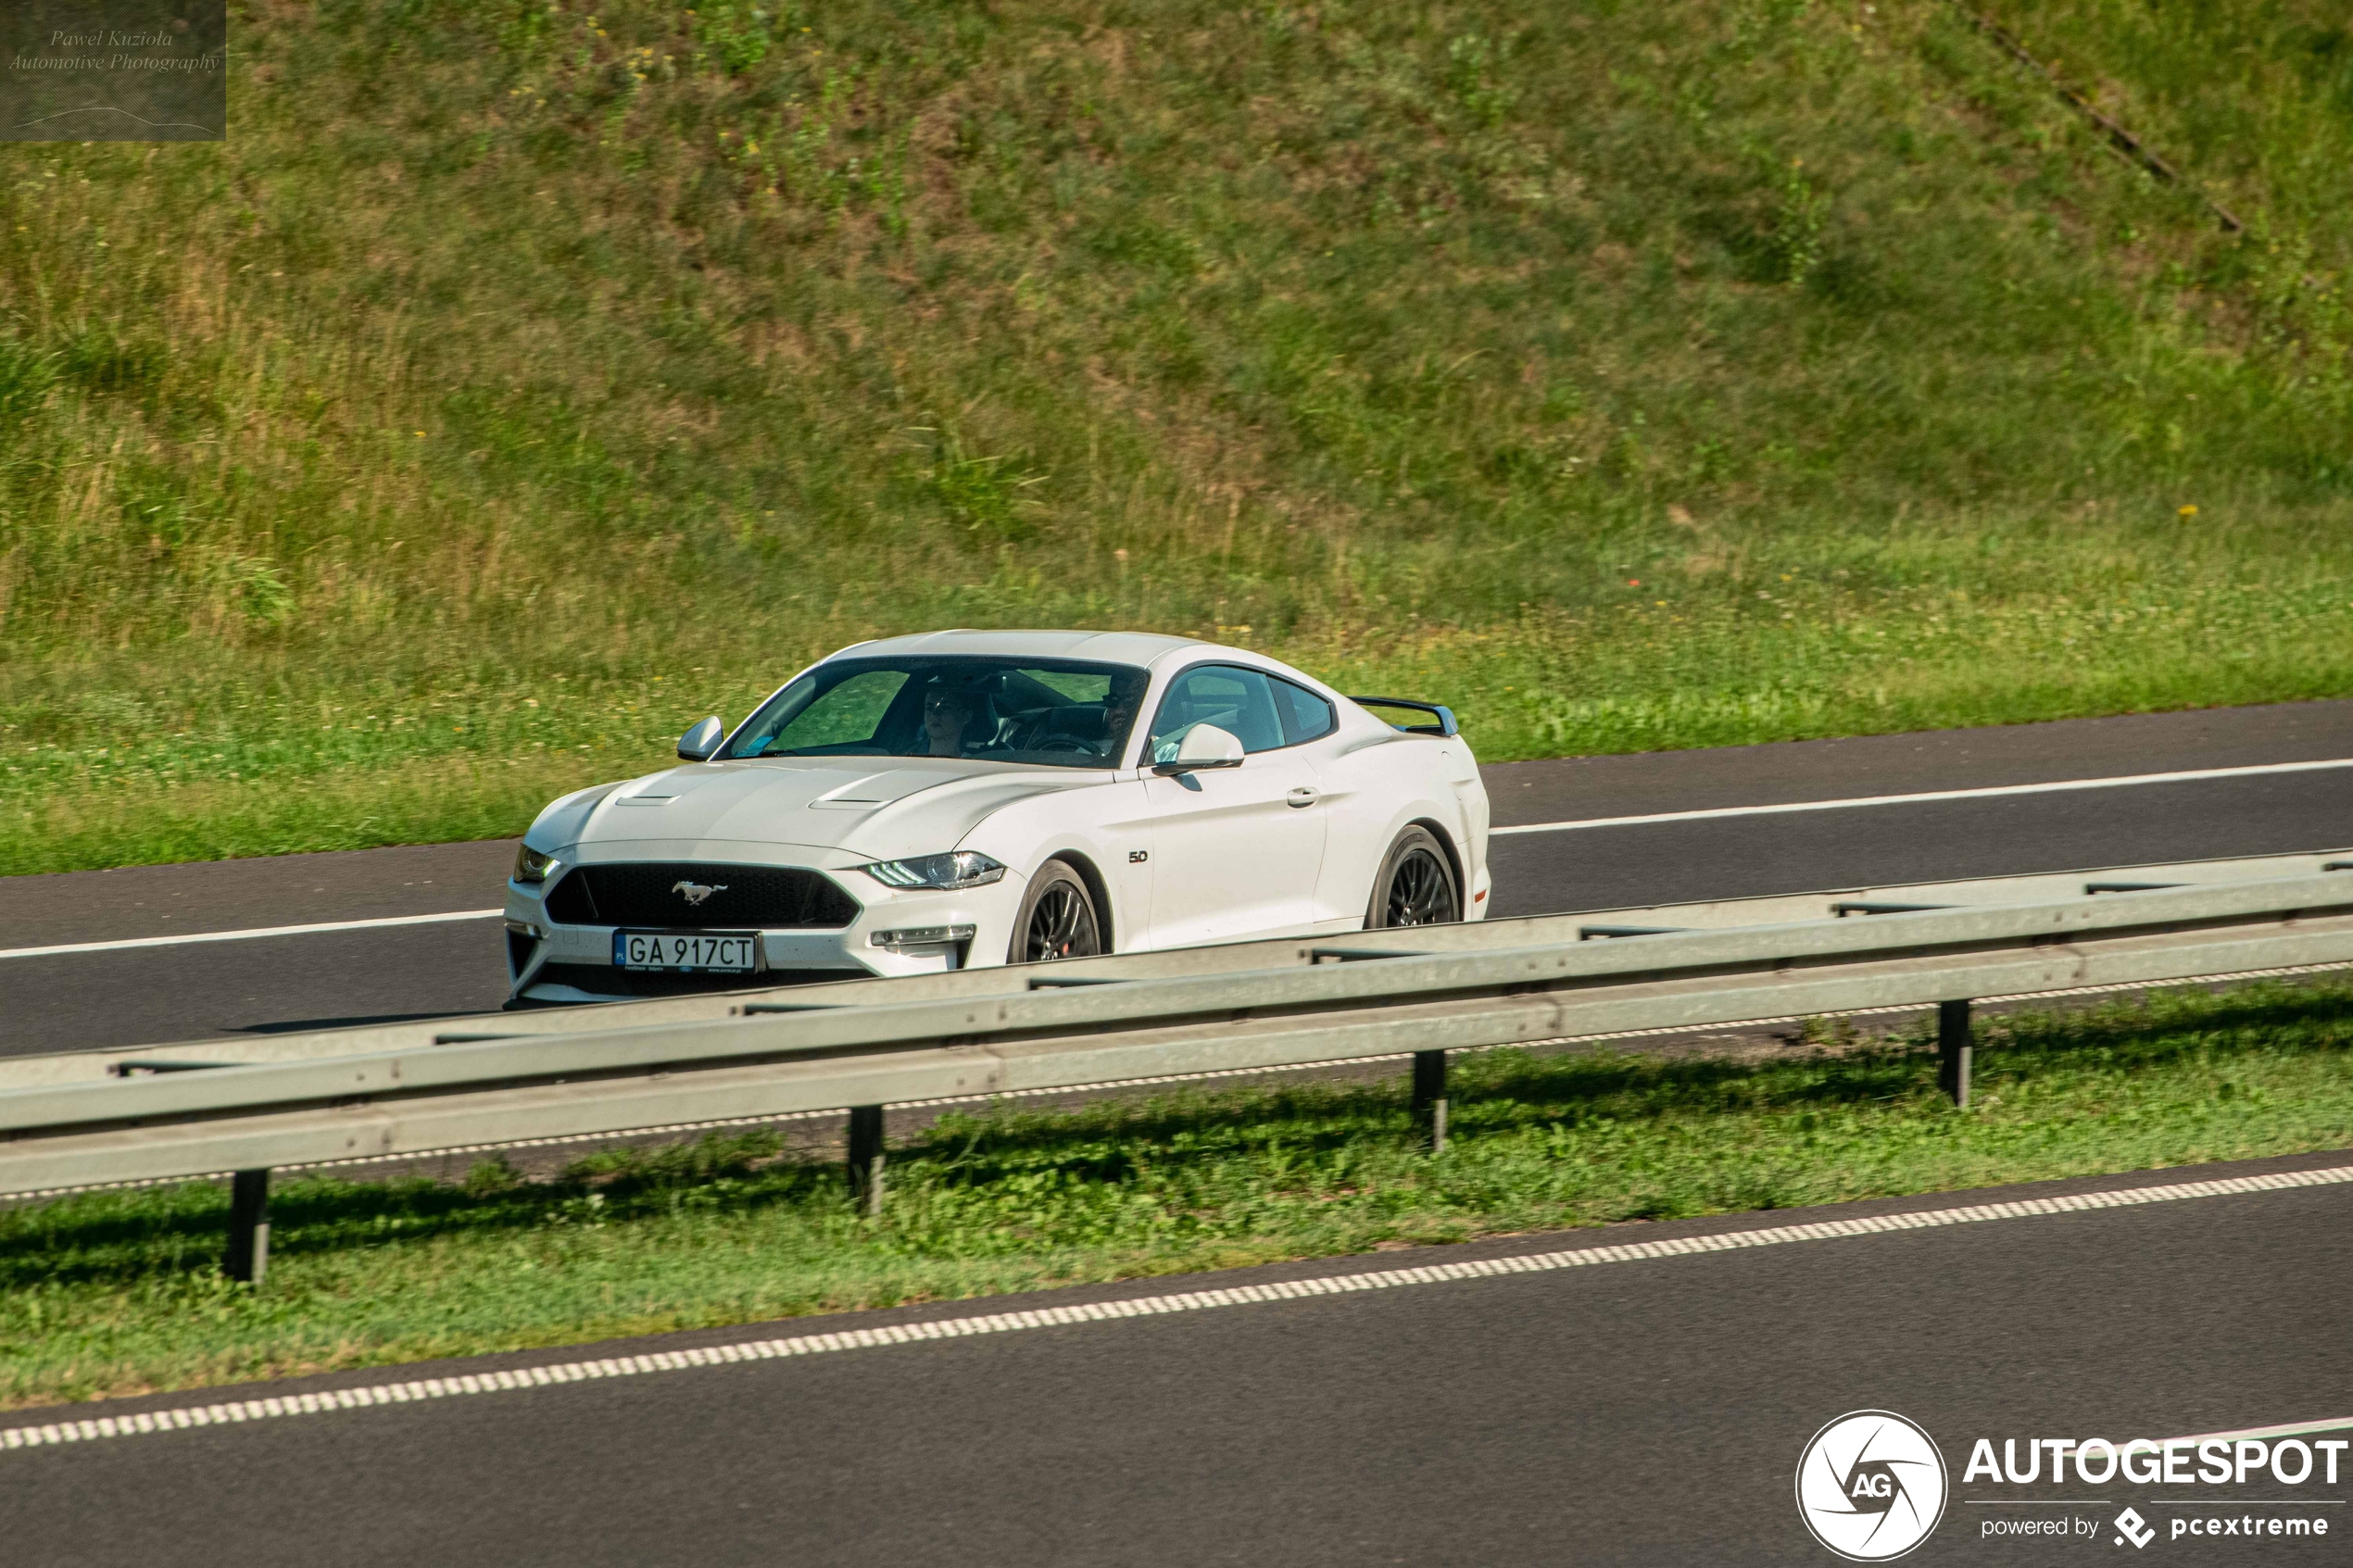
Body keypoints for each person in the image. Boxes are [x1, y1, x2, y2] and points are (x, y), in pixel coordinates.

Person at [920, 684, 982, 758]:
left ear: (966, 716)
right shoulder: (907, 759)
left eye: (946, 707)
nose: (935, 714)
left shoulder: (976, 764)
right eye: (929, 708)